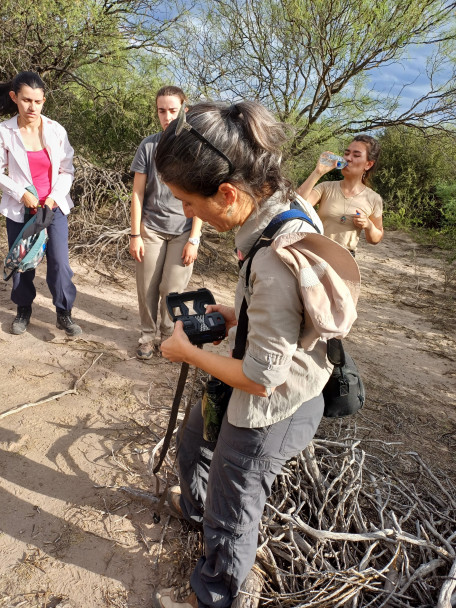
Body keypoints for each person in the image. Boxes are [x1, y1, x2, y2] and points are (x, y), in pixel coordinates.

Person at [152, 101, 360, 608]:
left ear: (227, 193)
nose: (186, 214)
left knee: (234, 501)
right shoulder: (282, 205)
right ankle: (196, 514)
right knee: (194, 443)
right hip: (266, 369)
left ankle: (220, 591)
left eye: (189, 202)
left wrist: (187, 351)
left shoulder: (273, 260)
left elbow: (263, 378)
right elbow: (279, 315)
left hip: (273, 405)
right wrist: (234, 314)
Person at [0, 71, 81, 336]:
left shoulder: (56, 130)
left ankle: (64, 312)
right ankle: (23, 309)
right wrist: (21, 193)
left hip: (53, 207)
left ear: (44, 100)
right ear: (14, 98)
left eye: (37, 101)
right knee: (22, 261)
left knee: (59, 262)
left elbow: (67, 170)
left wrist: (54, 197)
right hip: (21, 208)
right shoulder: (4, 131)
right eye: (25, 100)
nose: (31, 107)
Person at [129, 86, 203, 359]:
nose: (167, 116)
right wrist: (135, 234)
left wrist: (195, 238)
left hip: (184, 231)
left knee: (172, 289)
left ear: (184, 109)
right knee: (147, 287)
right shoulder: (149, 145)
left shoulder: (196, 148)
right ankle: (147, 337)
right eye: (162, 110)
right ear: (156, 112)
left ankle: (169, 336)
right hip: (151, 229)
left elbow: (200, 197)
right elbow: (137, 192)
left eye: (173, 110)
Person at [296, 136, 384, 255]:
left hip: (344, 260)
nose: (348, 158)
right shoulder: (326, 187)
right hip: (315, 253)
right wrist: (318, 172)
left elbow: (376, 238)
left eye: (356, 155)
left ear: (368, 164)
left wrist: (368, 226)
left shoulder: (374, 199)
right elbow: (296, 203)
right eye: (346, 153)